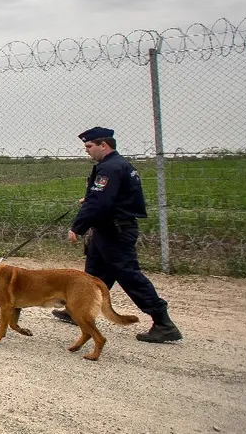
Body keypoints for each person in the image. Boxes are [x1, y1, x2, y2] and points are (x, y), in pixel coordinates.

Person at [51, 126, 182, 342]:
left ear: (104, 145)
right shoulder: (116, 165)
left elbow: (100, 202)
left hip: (115, 231)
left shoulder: (110, 168)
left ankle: (163, 322)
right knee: (94, 274)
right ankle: (78, 311)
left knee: (129, 275)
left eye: (89, 146)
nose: (87, 150)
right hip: (107, 229)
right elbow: (112, 197)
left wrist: (78, 226)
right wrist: (91, 200)